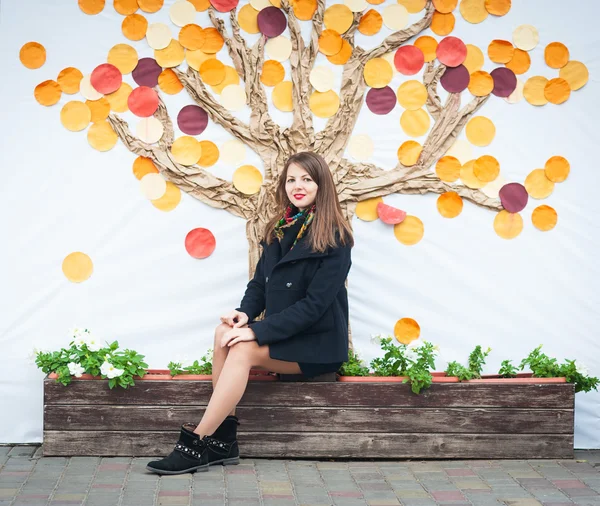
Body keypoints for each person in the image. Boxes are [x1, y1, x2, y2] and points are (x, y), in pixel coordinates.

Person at [146, 151, 354, 475]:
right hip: (287, 335)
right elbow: (259, 284)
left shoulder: (336, 238)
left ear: (321, 184)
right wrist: (244, 315)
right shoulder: (279, 230)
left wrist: (257, 332)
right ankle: (224, 441)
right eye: (291, 179)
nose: (297, 186)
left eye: (307, 179)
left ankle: (197, 442)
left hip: (317, 343)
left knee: (242, 349)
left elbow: (314, 307)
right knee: (224, 334)